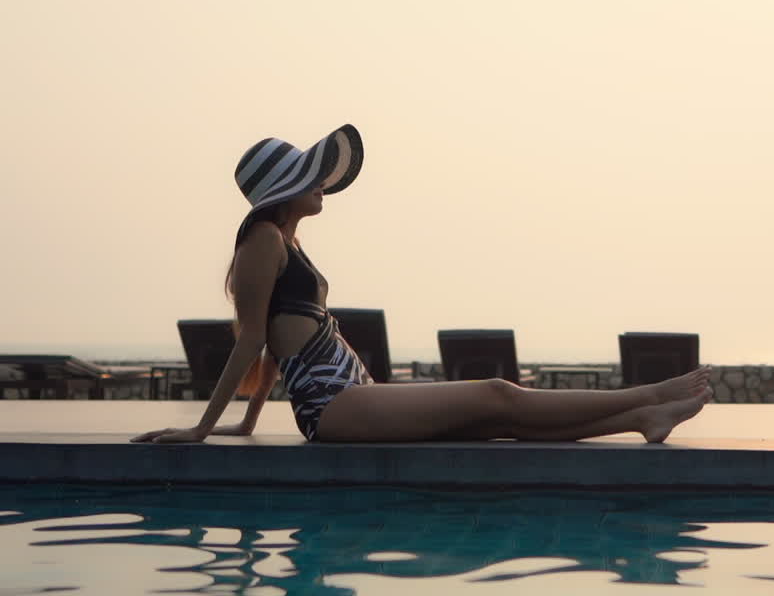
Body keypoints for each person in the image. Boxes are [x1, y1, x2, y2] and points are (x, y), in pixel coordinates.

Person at [133, 124, 711, 445]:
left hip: (348, 395)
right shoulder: (262, 239)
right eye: (311, 176)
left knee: (498, 421)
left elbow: (272, 347)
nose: (322, 185)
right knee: (498, 394)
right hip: (335, 404)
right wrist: (203, 429)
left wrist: (248, 421)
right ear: (284, 190)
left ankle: (641, 419)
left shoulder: (288, 243)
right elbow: (252, 338)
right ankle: (649, 396)